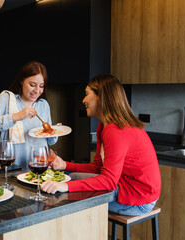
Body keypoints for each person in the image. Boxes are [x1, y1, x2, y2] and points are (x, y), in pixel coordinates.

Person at [41, 74, 161, 216]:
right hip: (125, 187)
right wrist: (65, 165)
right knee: (68, 176)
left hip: (139, 199)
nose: (83, 100)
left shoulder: (115, 130)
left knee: (67, 197)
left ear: (101, 97)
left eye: (86, 94)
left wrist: (65, 186)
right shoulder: (104, 126)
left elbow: (109, 181)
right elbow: (99, 167)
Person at [0, 61, 58, 169]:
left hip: (38, 167)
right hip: (13, 169)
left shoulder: (43, 105)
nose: (37, 91)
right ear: (21, 81)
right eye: (32, 85)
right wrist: (16, 116)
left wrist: (55, 130)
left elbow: (51, 141)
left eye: (41, 86)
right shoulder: (7, 99)